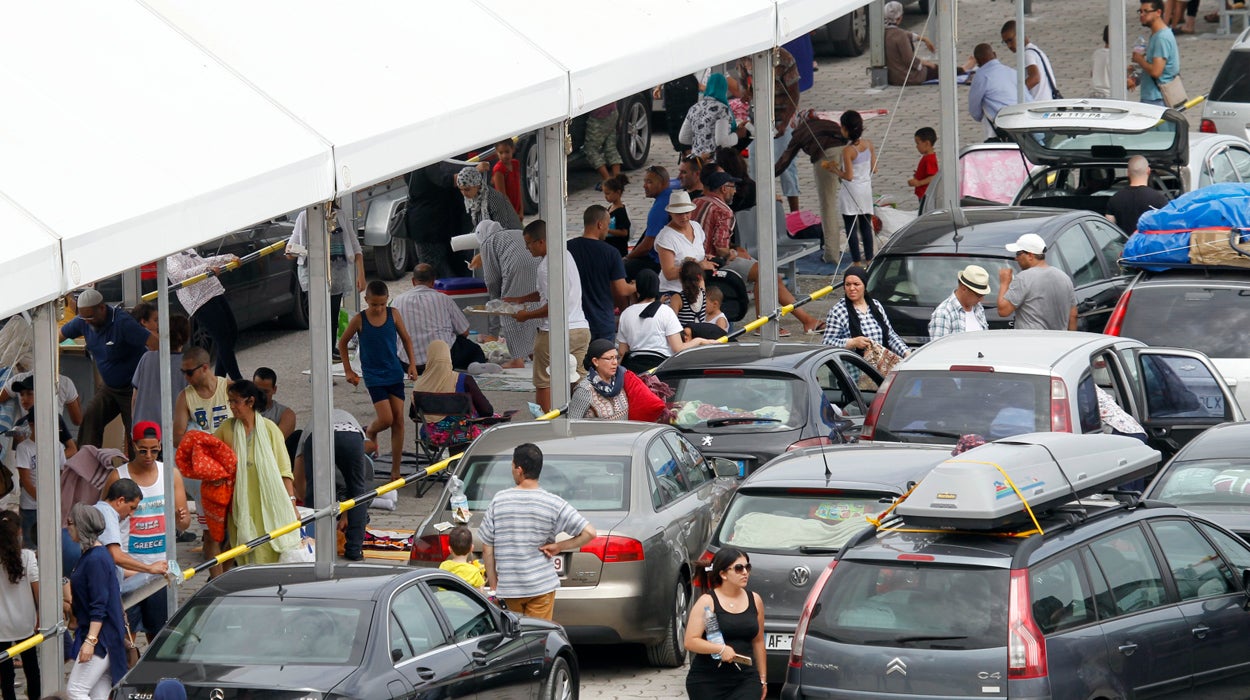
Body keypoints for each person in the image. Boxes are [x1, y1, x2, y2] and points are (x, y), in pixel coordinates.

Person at [479, 443, 597, 620]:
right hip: (541, 587)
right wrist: (559, 546)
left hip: (509, 589)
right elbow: (589, 532)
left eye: (512, 466)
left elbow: (488, 548)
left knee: (514, 642)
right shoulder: (553, 503)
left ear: (519, 469)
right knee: (538, 638)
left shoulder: (499, 501)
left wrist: (495, 587)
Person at [102, 423, 190, 642]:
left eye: (154, 450)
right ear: (133, 446)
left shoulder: (171, 475)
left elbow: (185, 523)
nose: (149, 455)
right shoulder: (117, 476)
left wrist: (182, 519)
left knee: (158, 635)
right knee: (126, 638)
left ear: (160, 445)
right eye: (143, 450)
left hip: (159, 571)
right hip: (127, 571)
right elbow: (104, 516)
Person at [212, 380, 302, 565]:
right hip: (240, 503)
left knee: (270, 548)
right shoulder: (226, 429)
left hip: (269, 502)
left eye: (236, 401)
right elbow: (210, 457)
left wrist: (292, 503)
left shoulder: (270, 429)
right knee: (244, 548)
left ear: (250, 402)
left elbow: (284, 470)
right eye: (230, 402)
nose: (232, 407)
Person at [59, 288, 159, 448]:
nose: (87, 322)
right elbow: (58, 335)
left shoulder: (123, 323)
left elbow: (156, 344)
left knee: (136, 432)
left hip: (133, 389)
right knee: (91, 417)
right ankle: (88, 464)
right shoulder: (84, 321)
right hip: (110, 388)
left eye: (90, 317)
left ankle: (139, 469)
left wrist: (152, 378)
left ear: (102, 308)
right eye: (83, 318)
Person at [340, 281, 419, 482]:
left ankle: (395, 470)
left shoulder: (393, 314)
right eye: (374, 304)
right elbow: (342, 343)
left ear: (387, 301)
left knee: (399, 421)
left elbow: (407, 339)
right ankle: (371, 430)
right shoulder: (359, 320)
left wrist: (411, 364)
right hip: (374, 375)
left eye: (382, 304)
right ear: (366, 300)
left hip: (393, 372)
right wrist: (348, 370)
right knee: (386, 419)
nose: (378, 308)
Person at [513, 221, 593, 413]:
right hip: (580, 329)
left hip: (554, 333)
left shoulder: (545, 267)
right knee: (580, 379)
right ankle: (584, 417)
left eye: (529, 243)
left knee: (544, 381)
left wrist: (526, 316)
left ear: (541, 242)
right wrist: (522, 298)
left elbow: (554, 305)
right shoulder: (566, 255)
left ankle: (545, 424)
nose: (527, 248)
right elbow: (551, 293)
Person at [683, 547, 767, 699]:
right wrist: (720, 649)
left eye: (747, 567)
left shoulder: (755, 600)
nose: (745, 572)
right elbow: (690, 641)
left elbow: (759, 641)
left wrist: (762, 678)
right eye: (738, 568)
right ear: (723, 574)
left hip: (745, 678)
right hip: (708, 680)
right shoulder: (707, 602)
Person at [288, 203, 366, 360]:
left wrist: (361, 274)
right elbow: (291, 249)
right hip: (313, 276)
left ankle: (329, 350)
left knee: (333, 314)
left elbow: (354, 245)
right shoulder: (304, 216)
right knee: (318, 320)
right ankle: (320, 359)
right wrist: (298, 250)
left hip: (337, 274)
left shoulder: (340, 216)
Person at [65, 504, 127, 700]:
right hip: (107, 636)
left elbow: (98, 604)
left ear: (81, 526)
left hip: (101, 638)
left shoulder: (95, 559)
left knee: (75, 691)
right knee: (98, 693)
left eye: (70, 523)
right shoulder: (96, 555)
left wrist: (90, 642)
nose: (68, 528)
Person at [292, 407, 369, 561]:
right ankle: (355, 549)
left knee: (314, 491)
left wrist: (303, 498)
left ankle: (314, 548)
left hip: (319, 436)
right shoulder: (350, 419)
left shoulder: (308, 429)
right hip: (352, 436)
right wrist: (347, 512)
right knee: (358, 492)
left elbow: (298, 474)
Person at [774, 114, 847, 264]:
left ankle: (831, 254)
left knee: (828, 206)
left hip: (826, 156)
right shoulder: (828, 123)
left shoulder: (800, 132)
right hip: (848, 152)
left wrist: (767, 177)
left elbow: (785, 159)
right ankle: (869, 250)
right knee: (855, 202)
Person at [164, 249, 246, 380]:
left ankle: (219, 382)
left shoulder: (186, 247)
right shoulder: (168, 257)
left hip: (213, 290)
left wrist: (226, 258)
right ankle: (238, 381)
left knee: (232, 333)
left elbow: (200, 262)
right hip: (199, 299)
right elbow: (179, 275)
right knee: (223, 339)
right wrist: (205, 268)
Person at [739, 47, 803, 213]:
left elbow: (794, 94)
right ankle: (759, 208)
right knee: (754, 162)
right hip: (758, 118)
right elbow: (746, 87)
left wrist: (785, 122)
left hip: (783, 115)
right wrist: (748, 94)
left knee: (786, 165)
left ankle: (795, 212)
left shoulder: (785, 59)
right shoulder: (743, 57)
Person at [470, 220, 539, 370]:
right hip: (538, 265)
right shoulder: (514, 232)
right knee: (533, 308)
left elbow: (492, 279)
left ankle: (517, 360)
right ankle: (534, 353)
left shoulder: (488, 241)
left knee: (509, 311)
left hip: (516, 269)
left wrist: (496, 302)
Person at [616, 271, 715, 372]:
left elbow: (621, 352)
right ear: (657, 287)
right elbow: (678, 348)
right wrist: (699, 340)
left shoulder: (626, 314)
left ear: (637, 288)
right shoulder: (665, 311)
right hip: (659, 369)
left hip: (633, 370)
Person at [390, 264, 478, 371]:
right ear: (433, 282)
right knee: (473, 349)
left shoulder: (397, 301)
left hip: (407, 364)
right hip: (441, 362)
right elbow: (464, 332)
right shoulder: (444, 299)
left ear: (413, 281)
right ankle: (474, 366)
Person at [568, 206, 634, 344]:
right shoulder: (611, 253)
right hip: (602, 321)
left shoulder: (568, 248)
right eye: (608, 224)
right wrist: (636, 286)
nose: (608, 229)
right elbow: (621, 289)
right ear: (600, 224)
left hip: (574, 321)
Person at [821, 266, 910, 359]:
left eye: (856, 284)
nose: (852, 288)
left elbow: (890, 335)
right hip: (852, 369)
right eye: (848, 284)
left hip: (878, 369)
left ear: (864, 285)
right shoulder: (838, 311)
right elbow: (827, 343)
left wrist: (906, 353)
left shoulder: (876, 305)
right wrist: (852, 342)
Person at [825, 111, 877, 265]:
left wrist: (834, 170)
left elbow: (848, 176)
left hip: (851, 191)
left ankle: (856, 261)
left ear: (846, 129)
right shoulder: (869, 144)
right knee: (866, 226)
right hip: (866, 190)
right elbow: (874, 168)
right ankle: (869, 259)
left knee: (851, 227)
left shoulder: (848, 151)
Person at [997, 234, 1079, 331]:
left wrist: (1004, 283)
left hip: (1032, 342)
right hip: (1059, 342)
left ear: (1030, 255)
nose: (1016, 258)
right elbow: (1073, 315)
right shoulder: (1064, 278)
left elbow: (1003, 311)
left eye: (1018, 253)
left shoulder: (1023, 278)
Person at [92, 478, 170, 580]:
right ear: (120, 501)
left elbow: (117, 566)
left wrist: (150, 571)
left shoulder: (99, 508)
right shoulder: (108, 514)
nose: (131, 514)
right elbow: (117, 557)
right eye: (132, 508)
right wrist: (149, 568)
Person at [0, 511, 39, 700]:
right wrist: (40, 615)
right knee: (32, 670)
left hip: (1, 627)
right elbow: (37, 589)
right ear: (20, 532)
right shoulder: (28, 557)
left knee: (6, 676)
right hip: (26, 622)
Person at [412, 339, 494, 427]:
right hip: (462, 433)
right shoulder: (464, 379)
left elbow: (414, 415)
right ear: (448, 356)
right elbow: (487, 411)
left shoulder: (419, 384)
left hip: (430, 435)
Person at [129, 314, 190, 427]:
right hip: (173, 431)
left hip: (143, 429)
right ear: (186, 338)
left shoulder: (146, 358)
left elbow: (135, 397)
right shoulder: (188, 364)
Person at [655, 191, 714, 295]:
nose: (684, 217)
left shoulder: (696, 226)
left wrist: (706, 258)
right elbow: (668, 273)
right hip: (674, 291)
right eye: (679, 214)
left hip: (697, 287)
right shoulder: (666, 237)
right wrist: (699, 266)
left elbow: (696, 251)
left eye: (687, 213)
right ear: (670, 213)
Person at [173, 347, 230, 447]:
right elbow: (177, 439)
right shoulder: (184, 397)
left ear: (204, 368)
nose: (185, 377)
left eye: (189, 373)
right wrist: (205, 441)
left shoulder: (229, 388)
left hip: (231, 455)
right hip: (203, 458)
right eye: (183, 372)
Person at [623, 166, 673, 280]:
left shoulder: (659, 208)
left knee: (620, 271)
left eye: (649, 182)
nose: (644, 186)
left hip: (658, 261)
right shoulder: (669, 196)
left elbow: (647, 246)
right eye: (645, 181)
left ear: (663, 183)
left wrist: (627, 258)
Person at [967, 43, 1023, 141]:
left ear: (978, 62)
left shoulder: (981, 76)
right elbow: (1027, 98)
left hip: (1000, 133)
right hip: (1022, 127)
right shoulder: (1012, 72)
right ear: (995, 54)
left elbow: (974, 110)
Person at [1131, 0, 1181, 106]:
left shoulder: (1161, 38)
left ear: (1158, 12)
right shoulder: (1157, 35)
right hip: (1154, 96)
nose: (1142, 15)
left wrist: (1139, 59)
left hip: (1158, 98)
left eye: (1146, 11)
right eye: (1140, 11)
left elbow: (1156, 71)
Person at [679, 74, 739, 159]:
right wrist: (737, 136)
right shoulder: (722, 109)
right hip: (714, 162)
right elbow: (722, 142)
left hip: (697, 161)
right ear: (724, 89)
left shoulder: (694, 108)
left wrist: (700, 141)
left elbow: (683, 138)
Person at [1106, 156, 1170, 233]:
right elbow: (1167, 228)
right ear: (1148, 171)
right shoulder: (1160, 199)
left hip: (1125, 244)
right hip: (1149, 244)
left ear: (1128, 173)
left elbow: (1109, 230)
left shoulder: (1114, 199)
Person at [928, 265, 992, 341]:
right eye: (979, 295)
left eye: (983, 295)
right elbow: (939, 350)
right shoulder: (943, 313)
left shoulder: (978, 308)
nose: (982, 299)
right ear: (964, 288)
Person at [1002, 20, 1060, 101]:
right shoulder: (1036, 51)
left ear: (1020, 33)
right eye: (1005, 42)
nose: (1009, 45)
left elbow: (1035, 78)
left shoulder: (1027, 54)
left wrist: (1016, 93)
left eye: (1010, 40)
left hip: (1038, 105)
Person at [884, 0, 939, 85]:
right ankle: (964, 68)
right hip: (907, 77)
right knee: (937, 69)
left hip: (892, 77)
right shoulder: (901, 36)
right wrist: (927, 64)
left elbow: (906, 34)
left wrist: (924, 39)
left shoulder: (884, 33)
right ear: (899, 18)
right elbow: (910, 60)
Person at [456, 166, 523, 232]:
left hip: (510, 235)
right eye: (461, 190)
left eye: (467, 189)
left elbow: (502, 227)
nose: (464, 193)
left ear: (477, 185)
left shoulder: (493, 198)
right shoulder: (475, 198)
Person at [252, 367, 297, 443]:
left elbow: (275, 443)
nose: (261, 395)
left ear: (274, 389)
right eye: (257, 390)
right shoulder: (240, 408)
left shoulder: (286, 414)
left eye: (265, 391)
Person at [582, 102, 623, 185]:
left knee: (590, 149)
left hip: (599, 115)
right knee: (610, 147)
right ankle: (618, 181)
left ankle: (608, 182)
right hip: (613, 110)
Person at [440, 525, 486, 590]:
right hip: (464, 600)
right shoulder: (474, 571)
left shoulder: (443, 566)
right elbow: (480, 593)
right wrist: (483, 581)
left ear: (450, 549)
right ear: (471, 548)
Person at [490, 138, 524, 219]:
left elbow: (518, 188)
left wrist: (521, 210)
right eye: (501, 153)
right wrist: (513, 214)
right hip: (506, 212)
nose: (504, 155)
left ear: (513, 149)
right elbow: (502, 196)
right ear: (497, 153)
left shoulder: (515, 164)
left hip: (516, 209)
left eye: (507, 152)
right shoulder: (498, 170)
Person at [669, 260, 708, 329]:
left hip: (685, 337)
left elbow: (671, 323)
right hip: (701, 336)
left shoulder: (677, 298)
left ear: (680, 278)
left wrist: (661, 303)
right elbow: (701, 280)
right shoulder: (703, 293)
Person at [602, 174, 632, 257]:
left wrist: (607, 230)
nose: (606, 197)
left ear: (618, 192)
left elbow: (624, 232)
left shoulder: (621, 211)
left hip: (618, 250)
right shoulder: (610, 208)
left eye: (608, 193)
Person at [908, 127, 939, 207]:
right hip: (923, 193)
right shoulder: (927, 157)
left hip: (926, 193)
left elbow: (933, 177)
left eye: (918, 143)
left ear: (927, 143)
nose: (916, 146)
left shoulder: (929, 159)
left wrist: (919, 183)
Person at [1091, 26, 1113, 98]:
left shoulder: (1097, 53)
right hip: (1110, 95)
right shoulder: (1115, 56)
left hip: (1095, 94)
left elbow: (1092, 73)